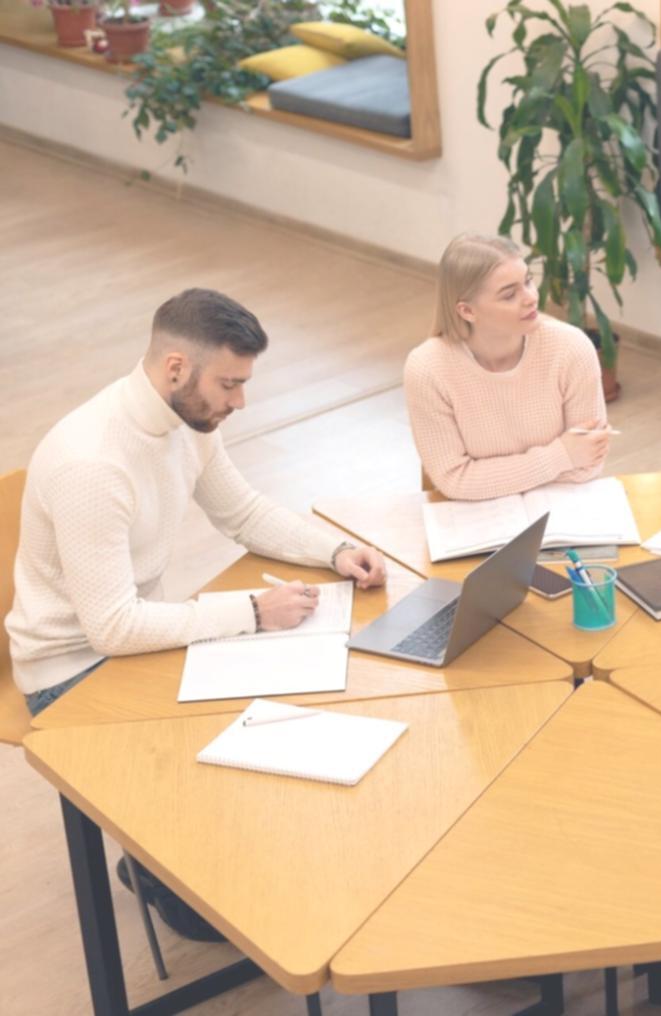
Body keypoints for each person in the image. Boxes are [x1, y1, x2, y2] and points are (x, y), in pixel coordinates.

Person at [5, 287, 387, 938]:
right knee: (233, 739)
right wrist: (252, 612)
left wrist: (336, 548)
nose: (241, 402)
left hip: (135, 635)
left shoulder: (189, 422)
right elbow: (112, 627)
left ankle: (206, 859)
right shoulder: (93, 464)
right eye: (230, 384)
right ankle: (177, 873)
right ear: (176, 368)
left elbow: (242, 511)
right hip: (73, 669)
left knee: (292, 704)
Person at [404, 233, 611, 500]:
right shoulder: (428, 369)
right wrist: (562, 455)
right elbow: (455, 480)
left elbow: (587, 464)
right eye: (509, 294)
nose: (530, 298)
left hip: (560, 512)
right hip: (473, 522)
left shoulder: (571, 348)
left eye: (528, 281)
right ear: (467, 311)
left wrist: (488, 478)